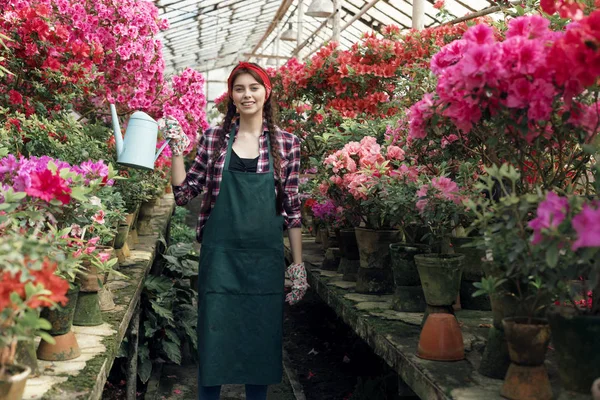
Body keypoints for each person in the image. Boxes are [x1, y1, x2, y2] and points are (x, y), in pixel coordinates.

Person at [164, 62, 308, 400]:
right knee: (215, 337)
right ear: (231, 95)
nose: (247, 94)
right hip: (221, 260)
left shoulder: (287, 144)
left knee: (260, 338)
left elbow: (292, 208)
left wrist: (297, 264)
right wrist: (176, 149)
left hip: (264, 263)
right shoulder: (214, 140)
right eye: (240, 88)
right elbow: (184, 194)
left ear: (266, 92)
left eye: (254, 87)